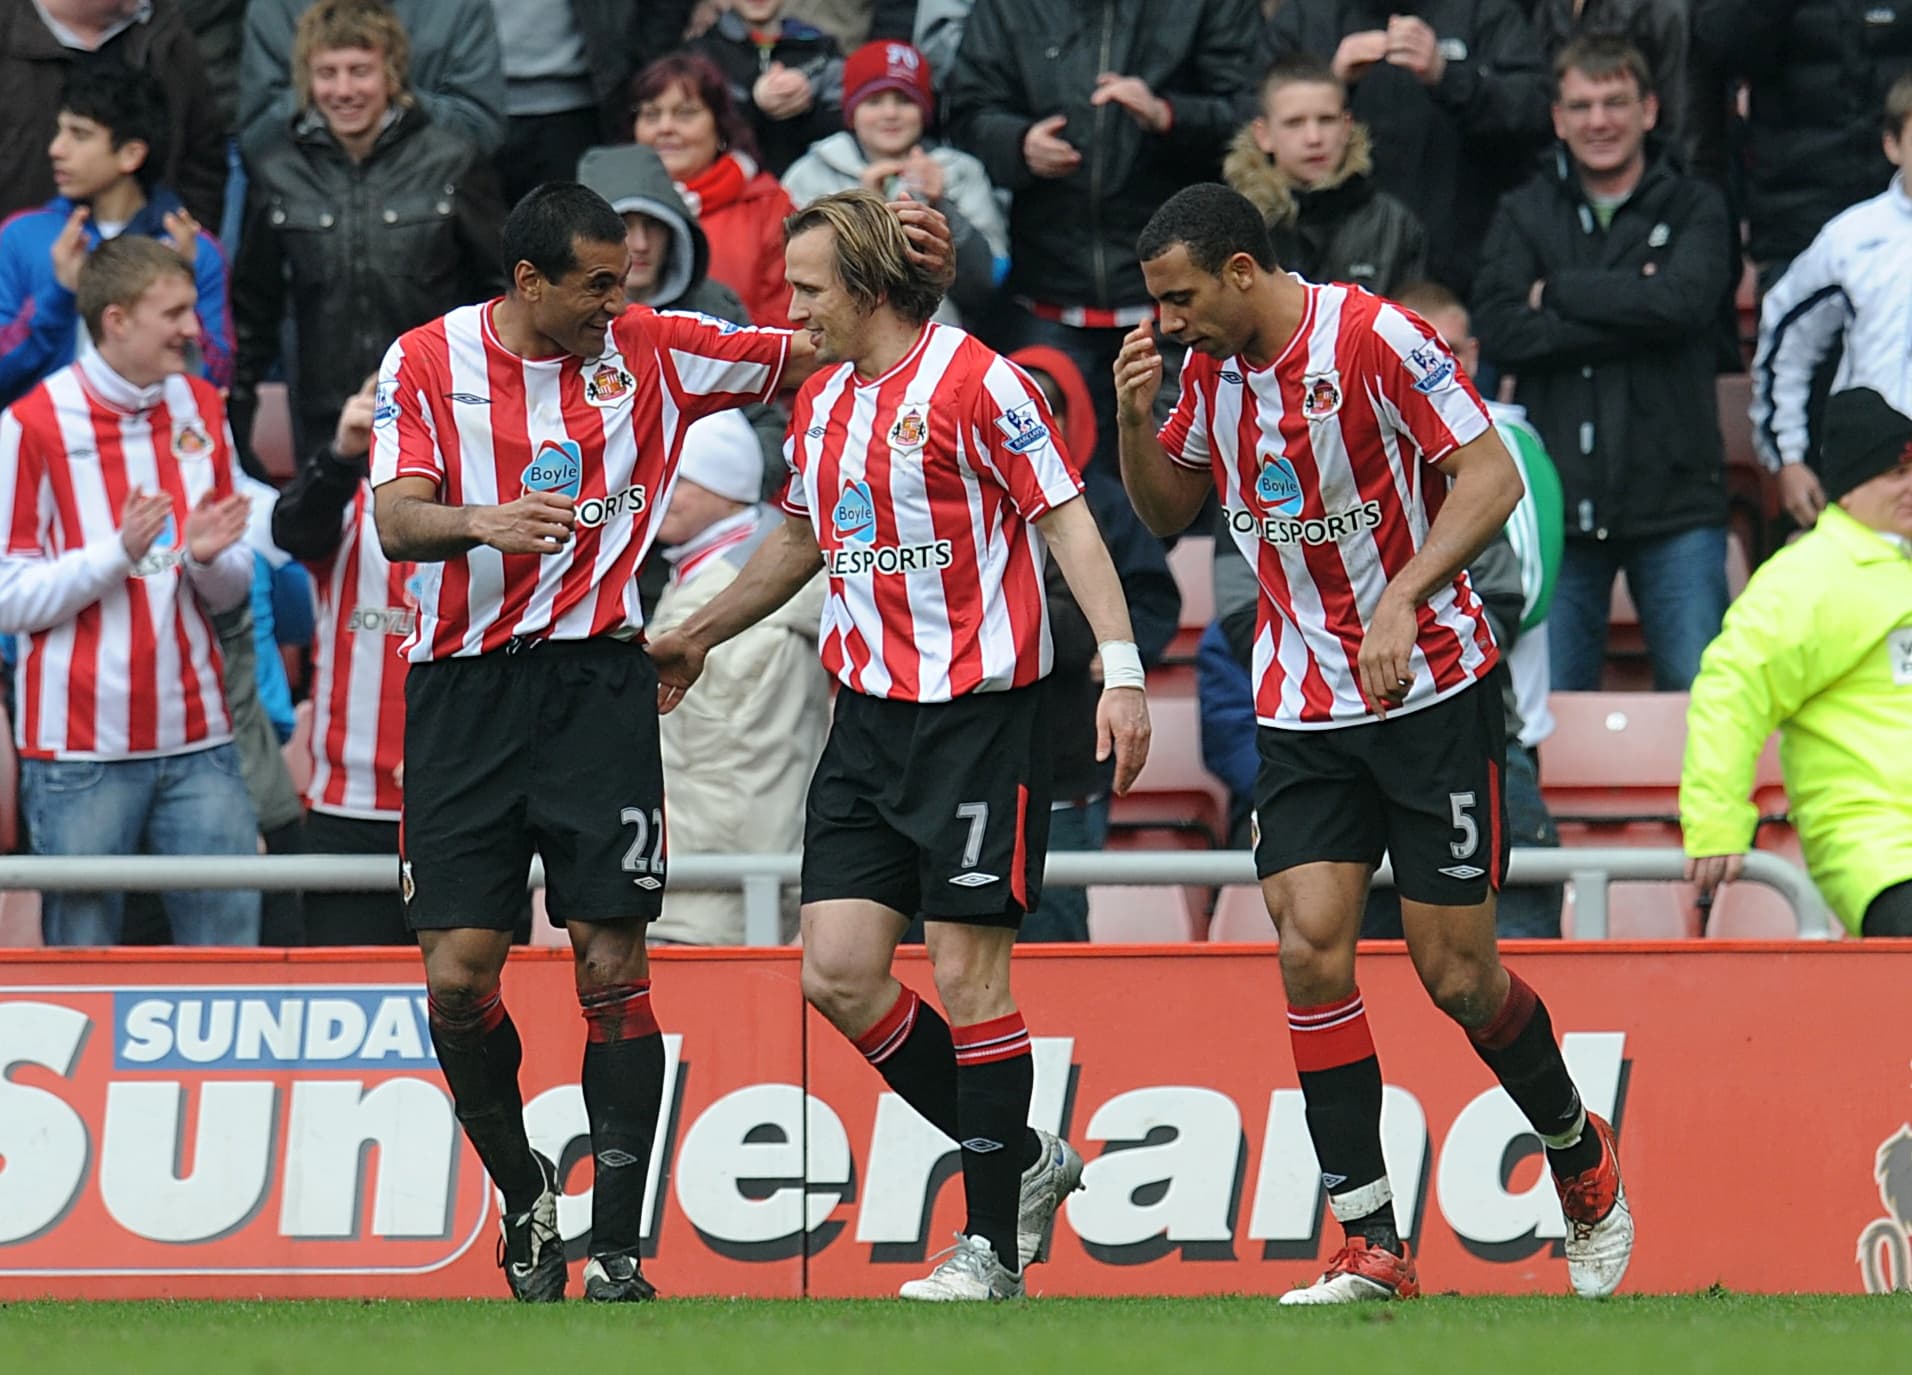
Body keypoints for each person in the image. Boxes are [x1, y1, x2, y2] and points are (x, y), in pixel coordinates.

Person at [369, 180, 953, 1301]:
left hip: (598, 682)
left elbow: (825, 344)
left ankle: (619, 1249)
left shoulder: (654, 349)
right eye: (596, 285)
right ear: (528, 280)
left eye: (624, 282)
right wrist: (481, 521)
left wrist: (914, 275)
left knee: (612, 962)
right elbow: (396, 519)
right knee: (458, 974)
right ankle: (524, 1194)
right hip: (460, 690)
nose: (615, 304)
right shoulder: (426, 360)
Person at [1116, 182, 1631, 1301]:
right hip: (1302, 704)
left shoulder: (1374, 336)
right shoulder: (1204, 372)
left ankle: (1576, 1147)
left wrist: (1402, 593)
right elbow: (1165, 511)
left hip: (1432, 690)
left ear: (1241, 270)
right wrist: (1130, 420)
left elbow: (1489, 477)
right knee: (1309, 950)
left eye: (1181, 297)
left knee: (1457, 975)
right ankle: (1373, 1244)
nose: (1168, 320)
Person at [649, 189, 1151, 1300]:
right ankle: (1023, 1155)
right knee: (836, 973)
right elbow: (799, 540)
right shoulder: (822, 401)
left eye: (810, 289)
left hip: (978, 718)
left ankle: (991, 1248)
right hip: (865, 722)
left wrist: (1120, 672)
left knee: (970, 977)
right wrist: (697, 632)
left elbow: (1068, 521)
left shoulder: (979, 382)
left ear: (871, 287)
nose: (794, 309)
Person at [0, 236, 259, 947]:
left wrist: (205, 560)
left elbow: (231, 588)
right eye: (173, 313)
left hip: (200, 736)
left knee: (231, 959)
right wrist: (118, 554)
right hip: (78, 751)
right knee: (82, 963)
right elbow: (8, 598)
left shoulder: (202, 404)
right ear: (116, 321)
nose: (193, 328)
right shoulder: (31, 424)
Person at [1470, 36, 1733, 693]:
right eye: (1582, 106)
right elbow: (1501, 328)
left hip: (1678, 504)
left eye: (1615, 102)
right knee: (1551, 713)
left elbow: (1685, 304)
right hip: (1560, 508)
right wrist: (1640, 309)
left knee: (1705, 704)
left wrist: (1557, 292)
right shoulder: (1522, 210)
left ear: (1649, 109)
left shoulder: (1697, 205)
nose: (1599, 121)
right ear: (1558, 119)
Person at [946, 0, 1258, 481]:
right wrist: (1018, 143)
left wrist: (1168, 115)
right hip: (1046, 294)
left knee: (1181, 482)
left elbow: (1252, 112)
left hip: (1171, 305)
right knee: (1044, 483)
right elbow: (965, 111)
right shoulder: (1008, 7)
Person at [230, 0, 507, 467]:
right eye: (327, 73)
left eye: (360, 71)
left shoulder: (453, 160)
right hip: (325, 421)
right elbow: (253, 314)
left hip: (441, 410)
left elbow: (498, 294)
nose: (343, 90)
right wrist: (237, 438)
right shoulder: (277, 171)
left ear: (392, 75)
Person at [1683, 386, 1912, 939]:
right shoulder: (1805, 578)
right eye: (1893, 473)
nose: (1910, 486)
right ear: (1848, 489)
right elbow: (1733, 690)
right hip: (1883, 853)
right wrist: (1715, 819)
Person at [1007, 342, 1179, 941]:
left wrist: (1119, 651)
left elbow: (1153, 599)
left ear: (1070, 415)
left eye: (1047, 407)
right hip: (978, 758)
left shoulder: (1108, 502)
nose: (1032, 424)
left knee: (1051, 929)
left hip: (1069, 755)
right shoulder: (970, 500)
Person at [647, 409, 829, 946]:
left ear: (726, 489)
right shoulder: (697, 578)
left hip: (723, 886)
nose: (662, 493)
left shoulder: (740, 594)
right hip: (695, 874)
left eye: (680, 479)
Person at [1259, 0, 1551, 296]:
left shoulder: (1484, 12)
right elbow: (1254, 121)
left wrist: (1448, 75)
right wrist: (1330, 85)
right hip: (1337, 263)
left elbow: (1539, 113)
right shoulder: (1304, 17)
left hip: (1460, 259)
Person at [271, 374, 410, 944]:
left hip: (465, 807)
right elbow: (293, 529)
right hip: (350, 808)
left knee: (469, 990)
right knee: (347, 984)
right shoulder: (348, 508)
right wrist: (340, 454)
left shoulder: (494, 510)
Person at [0, 65, 230, 410]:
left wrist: (182, 293)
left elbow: (216, 381)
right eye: (59, 131)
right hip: (47, 435)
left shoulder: (195, 249)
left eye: (79, 135)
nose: (56, 149)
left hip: (155, 437)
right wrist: (58, 295)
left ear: (131, 154)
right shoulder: (22, 236)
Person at [1750, 74, 1912, 531]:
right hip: (1870, 478)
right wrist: (1789, 457)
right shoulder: (1851, 239)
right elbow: (1786, 343)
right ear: (1892, 145)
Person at [575, 141, 788, 486]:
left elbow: (765, 423)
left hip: (708, 504)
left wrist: (732, 495)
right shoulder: (557, 319)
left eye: (653, 225)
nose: (640, 244)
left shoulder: (715, 310)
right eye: (622, 226)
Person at [782, 39, 1006, 329]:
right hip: (834, 340)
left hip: (938, 341)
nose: (890, 114)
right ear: (852, 112)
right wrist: (863, 214)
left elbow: (988, 283)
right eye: (874, 101)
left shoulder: (961, 171)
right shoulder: (809, 173)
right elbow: (796, 279)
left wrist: (942, 205)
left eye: (905, 100)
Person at [0, 0, 228, 228]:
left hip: (151, 243)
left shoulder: (166, 33)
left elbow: (203, 158)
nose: (57, 149)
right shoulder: (8, 33)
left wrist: (184, 238)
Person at [1224, 54, 1427, 298]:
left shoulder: (1393, 225)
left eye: (1326, 120)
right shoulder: (1234, 227)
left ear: (1346, 126)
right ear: (1263, 134)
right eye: (1294, 123)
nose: (1314, 138)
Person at [633, 52, 799, 327]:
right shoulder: (608, 205)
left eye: (685, 113)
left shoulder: (770, 208)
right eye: (651, 115)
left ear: (720, 127)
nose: (665, 128)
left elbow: (791, 317)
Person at [238, 0, 505, 164]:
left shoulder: (460, 7)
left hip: (433, 201)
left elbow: (482, 133)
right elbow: (256, 140)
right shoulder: (274, 8)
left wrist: (395, 98)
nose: (345, 91)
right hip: (304, 204)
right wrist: (318, 94)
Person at [692, 0, 844, 177]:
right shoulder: (702, 54)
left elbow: (848, 125)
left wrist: (806, 106)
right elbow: (699, 127)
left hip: (811, 183)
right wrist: (754, 103)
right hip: (731, 183)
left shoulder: (821, 48)